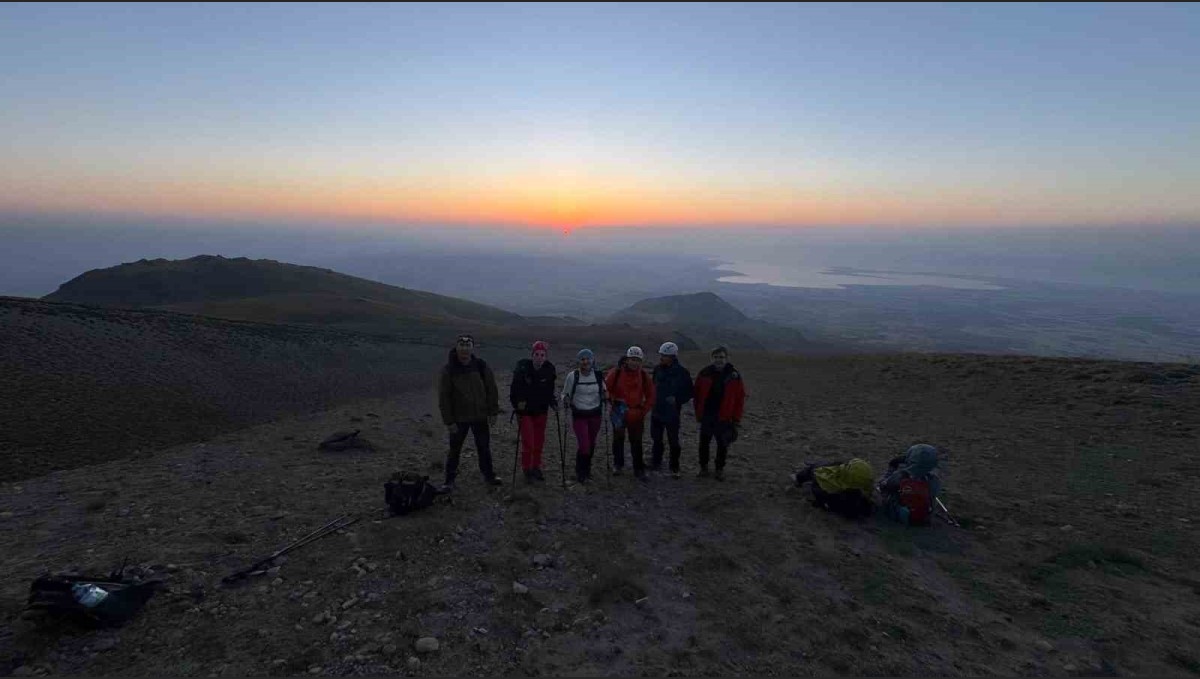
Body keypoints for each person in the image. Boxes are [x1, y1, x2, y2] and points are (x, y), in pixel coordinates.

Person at [437, 334, 502, 491]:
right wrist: (449, 421)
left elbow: (491, 388)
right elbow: (444, 397)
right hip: (459, 418)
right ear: (456, 347)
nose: (465, 348)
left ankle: (489, 475)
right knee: (455, 450)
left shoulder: (480, 365)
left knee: (484, 447)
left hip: (480, 415)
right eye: (461, 345)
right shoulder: (449, 370)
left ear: (472, 348)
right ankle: (449, 480)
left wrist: (493, 411)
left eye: (468, 345)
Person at [692, 345, 746, 481]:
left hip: (724, 417)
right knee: (704, 443)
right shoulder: (704, 373)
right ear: (711, 358)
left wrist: (736, 418)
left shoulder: (734, 376)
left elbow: (739, 398)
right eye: (716, 357)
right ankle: (703, 467)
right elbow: (696, 395)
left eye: (721, 357)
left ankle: (719, 469)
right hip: (707, 415)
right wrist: (698, 413)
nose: (719, 360)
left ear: (726, 358)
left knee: (722, 445)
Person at [509, 341, 557, 483]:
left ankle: (536, 467)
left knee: (539, 441)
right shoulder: (523, 369)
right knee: (528, 441)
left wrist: (552, 402)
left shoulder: (549, 370)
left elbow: (549, 391)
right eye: (537, 354)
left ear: (546, 356)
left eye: (542, 355)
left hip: (542, 411)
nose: (540, 358)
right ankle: (526, 468)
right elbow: (514, 391)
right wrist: (517, 405)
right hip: (525, 413)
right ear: (532, 355)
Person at [605, 346, 655, 480]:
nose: (635, 363)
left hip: (636, 412)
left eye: (638, 360)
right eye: (632, 359)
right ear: (627, 360)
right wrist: (612, 401)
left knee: (637, 442)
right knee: (618, 440)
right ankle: (618, 464)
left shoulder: (643, 375)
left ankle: (638, 468)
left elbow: (651, 394)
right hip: (618, 412)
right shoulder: (615, 373)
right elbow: (606, 389)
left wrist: (644, 410)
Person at [560, 348, 606, 483]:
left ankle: (586, 470)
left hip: (595, 414)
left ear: (592, 360)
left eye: (588, 359)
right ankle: (581, 472)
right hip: (579, 415)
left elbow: (603, 390)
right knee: (584, 444)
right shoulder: (572, 376)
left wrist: (605, 395)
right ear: (578, 361)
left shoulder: (597, 375)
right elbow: (564, 393)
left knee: (591, 443)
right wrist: (566, 399)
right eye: (582, 359)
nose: (585, 362)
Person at [650, 341, 693, 477]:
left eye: (664, 355)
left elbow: (689, 392)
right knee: (656, 439)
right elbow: (653, 385)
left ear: (672, 356)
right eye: (661, 355)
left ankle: (674, 466)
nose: (661, 358)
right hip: (657, 410)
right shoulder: (657, 370)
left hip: (672, 413)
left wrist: (677, 399)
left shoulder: (682, 373)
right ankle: (656, 462)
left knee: (673, 440)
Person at [878, 444, 943, 525]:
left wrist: (891, 468)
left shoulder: (900, 475)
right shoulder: (934, 480)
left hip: (900, 515)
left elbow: (883, 486)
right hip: (924, 518)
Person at [791, 459, 876, 519]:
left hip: (826, 480)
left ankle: (799, 479)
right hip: (829, 487)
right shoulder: (853, 496)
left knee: (816, 469)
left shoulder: (838, 486)